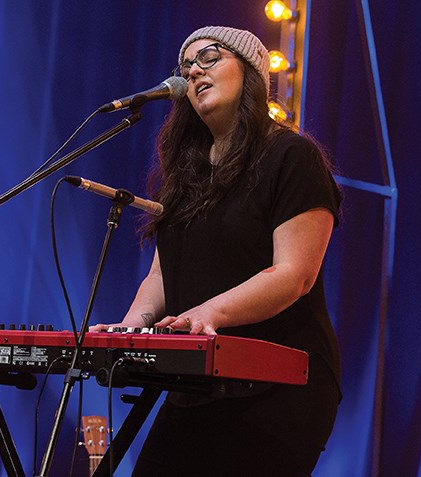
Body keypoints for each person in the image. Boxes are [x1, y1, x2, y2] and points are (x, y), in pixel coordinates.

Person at [91, 26, 342, 476]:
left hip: (280, 384)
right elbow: (162, 277)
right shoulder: (184, 173)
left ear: (250, 72)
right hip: (200, 382)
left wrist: (206, 314)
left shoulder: (291, 156)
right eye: (186, 67)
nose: (194, 71)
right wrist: (129, 330)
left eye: (209, 57)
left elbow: (294, 274)